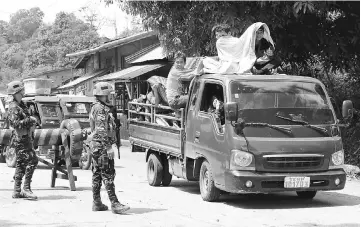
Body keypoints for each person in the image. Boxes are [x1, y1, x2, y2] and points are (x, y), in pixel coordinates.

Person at [89, 82, 130, 214]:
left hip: (96, 145)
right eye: (108, 95)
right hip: (101, 146)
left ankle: (97, 203)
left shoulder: (96, 107)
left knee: (97, 174)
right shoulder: (100, 108)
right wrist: (108, 147)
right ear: (103, 94)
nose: (110, 97)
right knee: (108, 174)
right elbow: (101, 130)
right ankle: (115, 204)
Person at [203, 22, 277, 74]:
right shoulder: (240, 42)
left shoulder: (265, 42)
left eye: (260, 32)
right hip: (248, 64)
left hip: (259, 63)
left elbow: (270, 53)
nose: (258, 35)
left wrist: (269, 55)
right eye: (256, 32)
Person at [7, 81, 38, 200]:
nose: (22, 93)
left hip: (26, 137)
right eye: (20, 92)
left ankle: (16, 190)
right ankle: (26, 189)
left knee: (21, 163)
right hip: (20, 139)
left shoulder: (22, 105)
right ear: (15, 93)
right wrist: (30, 120)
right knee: (32, 160)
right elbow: (15, 124)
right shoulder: (13, 107)